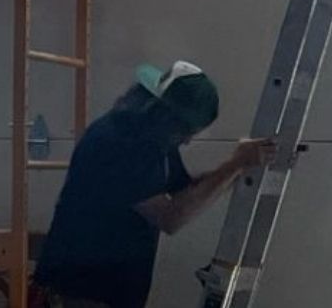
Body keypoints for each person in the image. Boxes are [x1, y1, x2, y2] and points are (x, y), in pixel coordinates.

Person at [32, 61, 277, 308]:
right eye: (186, 131)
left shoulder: (155, 140)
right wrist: (235, 165)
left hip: (105, 293)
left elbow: (187, 191)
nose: (188, 140)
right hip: (81, 292)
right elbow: (171, 216)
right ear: (166, 116)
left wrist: (239, 167)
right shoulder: (121, 143)